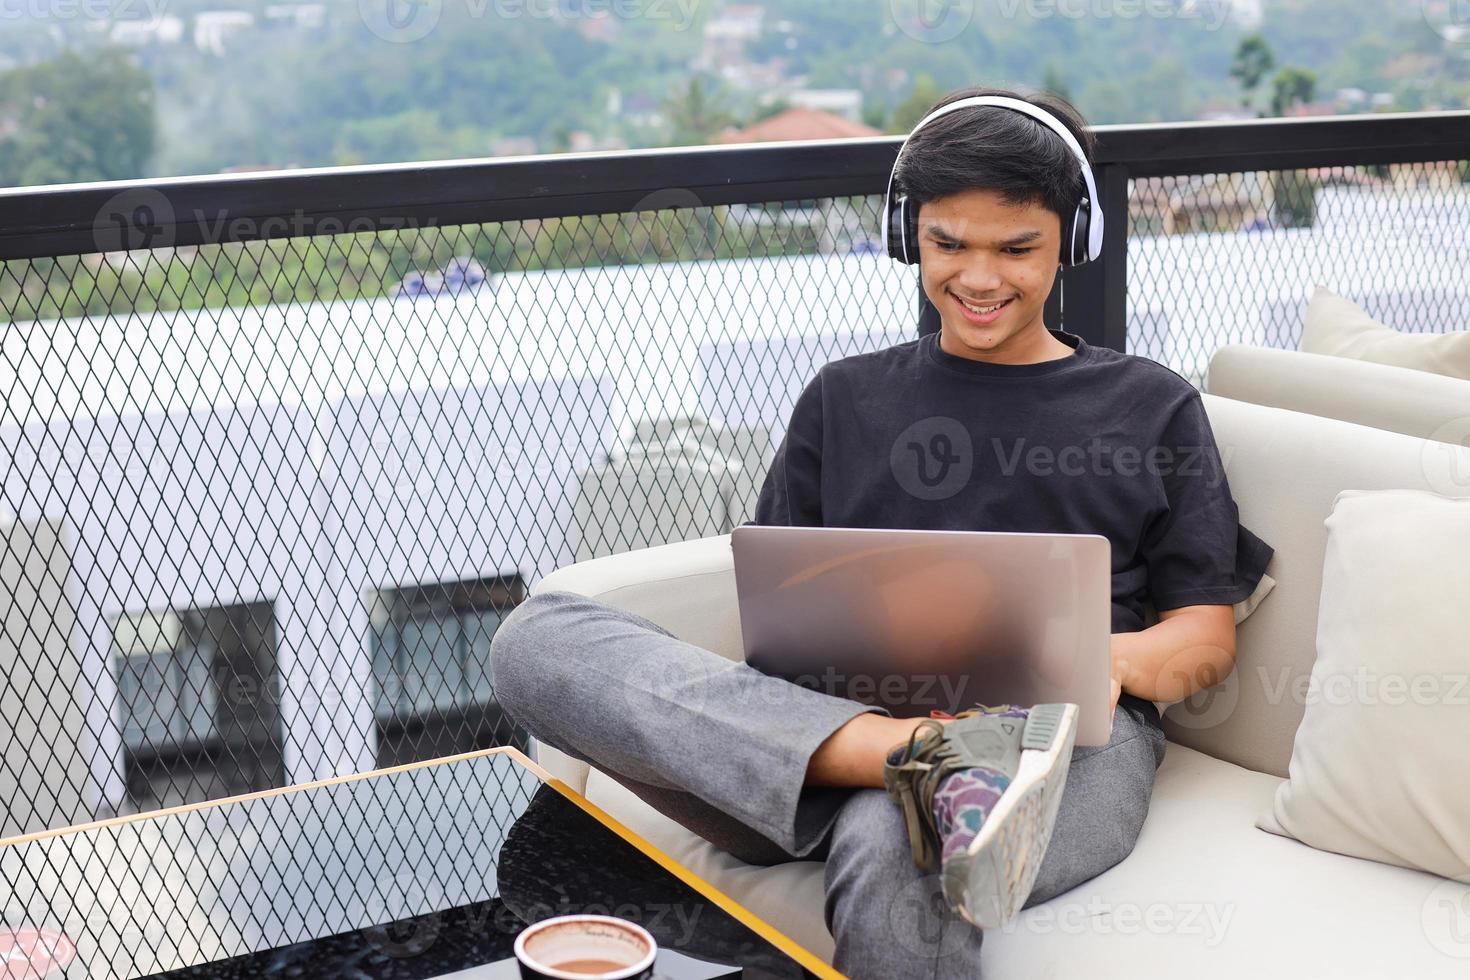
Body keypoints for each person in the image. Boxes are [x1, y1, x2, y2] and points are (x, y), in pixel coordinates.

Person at [491, 85, 1274, 978]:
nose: (980, 280)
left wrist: (1107, 663)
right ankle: (909, 757)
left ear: (1073, 240)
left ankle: (925, 776)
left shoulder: (1150, 406)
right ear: (909, 237)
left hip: (1058, 747)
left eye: (1017, 249)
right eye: (949, 245)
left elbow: (1205, 639)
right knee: (538, 637)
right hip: (828, 728)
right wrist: (880, 729)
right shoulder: (842, 395)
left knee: (904, 830)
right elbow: (777, 606)